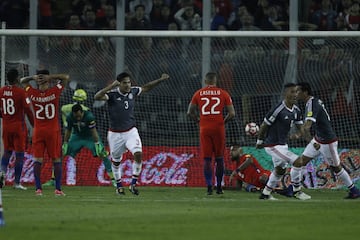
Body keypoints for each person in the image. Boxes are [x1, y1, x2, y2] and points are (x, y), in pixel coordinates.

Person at [94, 72, 170, 195]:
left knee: (138, 153)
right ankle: (119, 186)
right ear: (119, 84)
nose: (128, 85)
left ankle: (133, 184)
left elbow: (146, 87)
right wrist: (110, 86)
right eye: (124, 83)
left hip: (130, 131)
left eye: (129, 82)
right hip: (115, 134)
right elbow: (97, 97)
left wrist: (160, 80)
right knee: (116, 161)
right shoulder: (112, 95)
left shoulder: (133, 91)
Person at [294, 82, 360, 199]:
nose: (296, 93)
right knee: (301, 161)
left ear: (305, 92)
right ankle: (294, 188)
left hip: (327, 142)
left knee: (336, 168)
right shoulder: (312, 102)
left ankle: (354, 190)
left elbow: (308, 125)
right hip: (319, 139)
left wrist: (302, 133)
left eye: (298, 91)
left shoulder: (312, 104)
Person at [256, 83, 311, 200]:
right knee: (298, 161)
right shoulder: (278, 109)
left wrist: (299, 135)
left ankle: (265, 193)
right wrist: (260, 141)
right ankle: (297, 191)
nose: (295, 94)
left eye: (296, 92)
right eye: (292, 92)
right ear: (285, 94)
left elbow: (301, 129)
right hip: (272, 145)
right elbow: (264, 126)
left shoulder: (296, 110)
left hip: (283, 146)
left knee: (280, 170)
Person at [20, 69, 69, 196]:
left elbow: (22, 81)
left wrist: (34, 77)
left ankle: (38, 189)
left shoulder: (32, 93)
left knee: (38, 160)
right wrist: (50, 77)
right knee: (56, 159)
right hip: (53, 131)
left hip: (39, 131)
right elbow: (65, 77)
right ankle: (58, 189)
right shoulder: (55, 91)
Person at [187, 72, 235, 195]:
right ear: (215, 81)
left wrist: (198, 120)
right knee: (219, 159)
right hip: (219, 128)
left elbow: (189, 112)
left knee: (207, 159)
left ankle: (209, 186)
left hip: (205, 128)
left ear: (205, 81)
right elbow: (232, 113)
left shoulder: (198, 93)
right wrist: (223, 122)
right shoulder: (223, 93)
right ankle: (219, 187)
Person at [42, 88, 92, 187]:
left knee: (59, 157)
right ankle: (113, 179)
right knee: (98, 153)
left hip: (67, 136)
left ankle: (53, 179)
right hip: (80, 136)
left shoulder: (64, 108)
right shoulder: (86, 110)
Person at [62, 103, 115, 186]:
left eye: (79, 116)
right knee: (61, 153)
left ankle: (113, 179)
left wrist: (97, 144)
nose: (78, 118)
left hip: (90, 137)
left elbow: (93, 131)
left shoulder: (89, 116)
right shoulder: (70, 117)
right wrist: (65, 143)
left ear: (82, 112)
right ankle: (53, 179)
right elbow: (68, 131)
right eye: (76, 116)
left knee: (102, 153)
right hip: (77, 136)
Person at [0, 69, 34, 190]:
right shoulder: (21, 92)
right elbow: (28, 111)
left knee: (7, 153)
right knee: (19, 155)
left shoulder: (1, 91)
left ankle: (1, 173)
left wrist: (4, 116)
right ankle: (17, 183)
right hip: (18, 127)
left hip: (6, 126)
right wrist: (34, 125)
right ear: (16, 79)